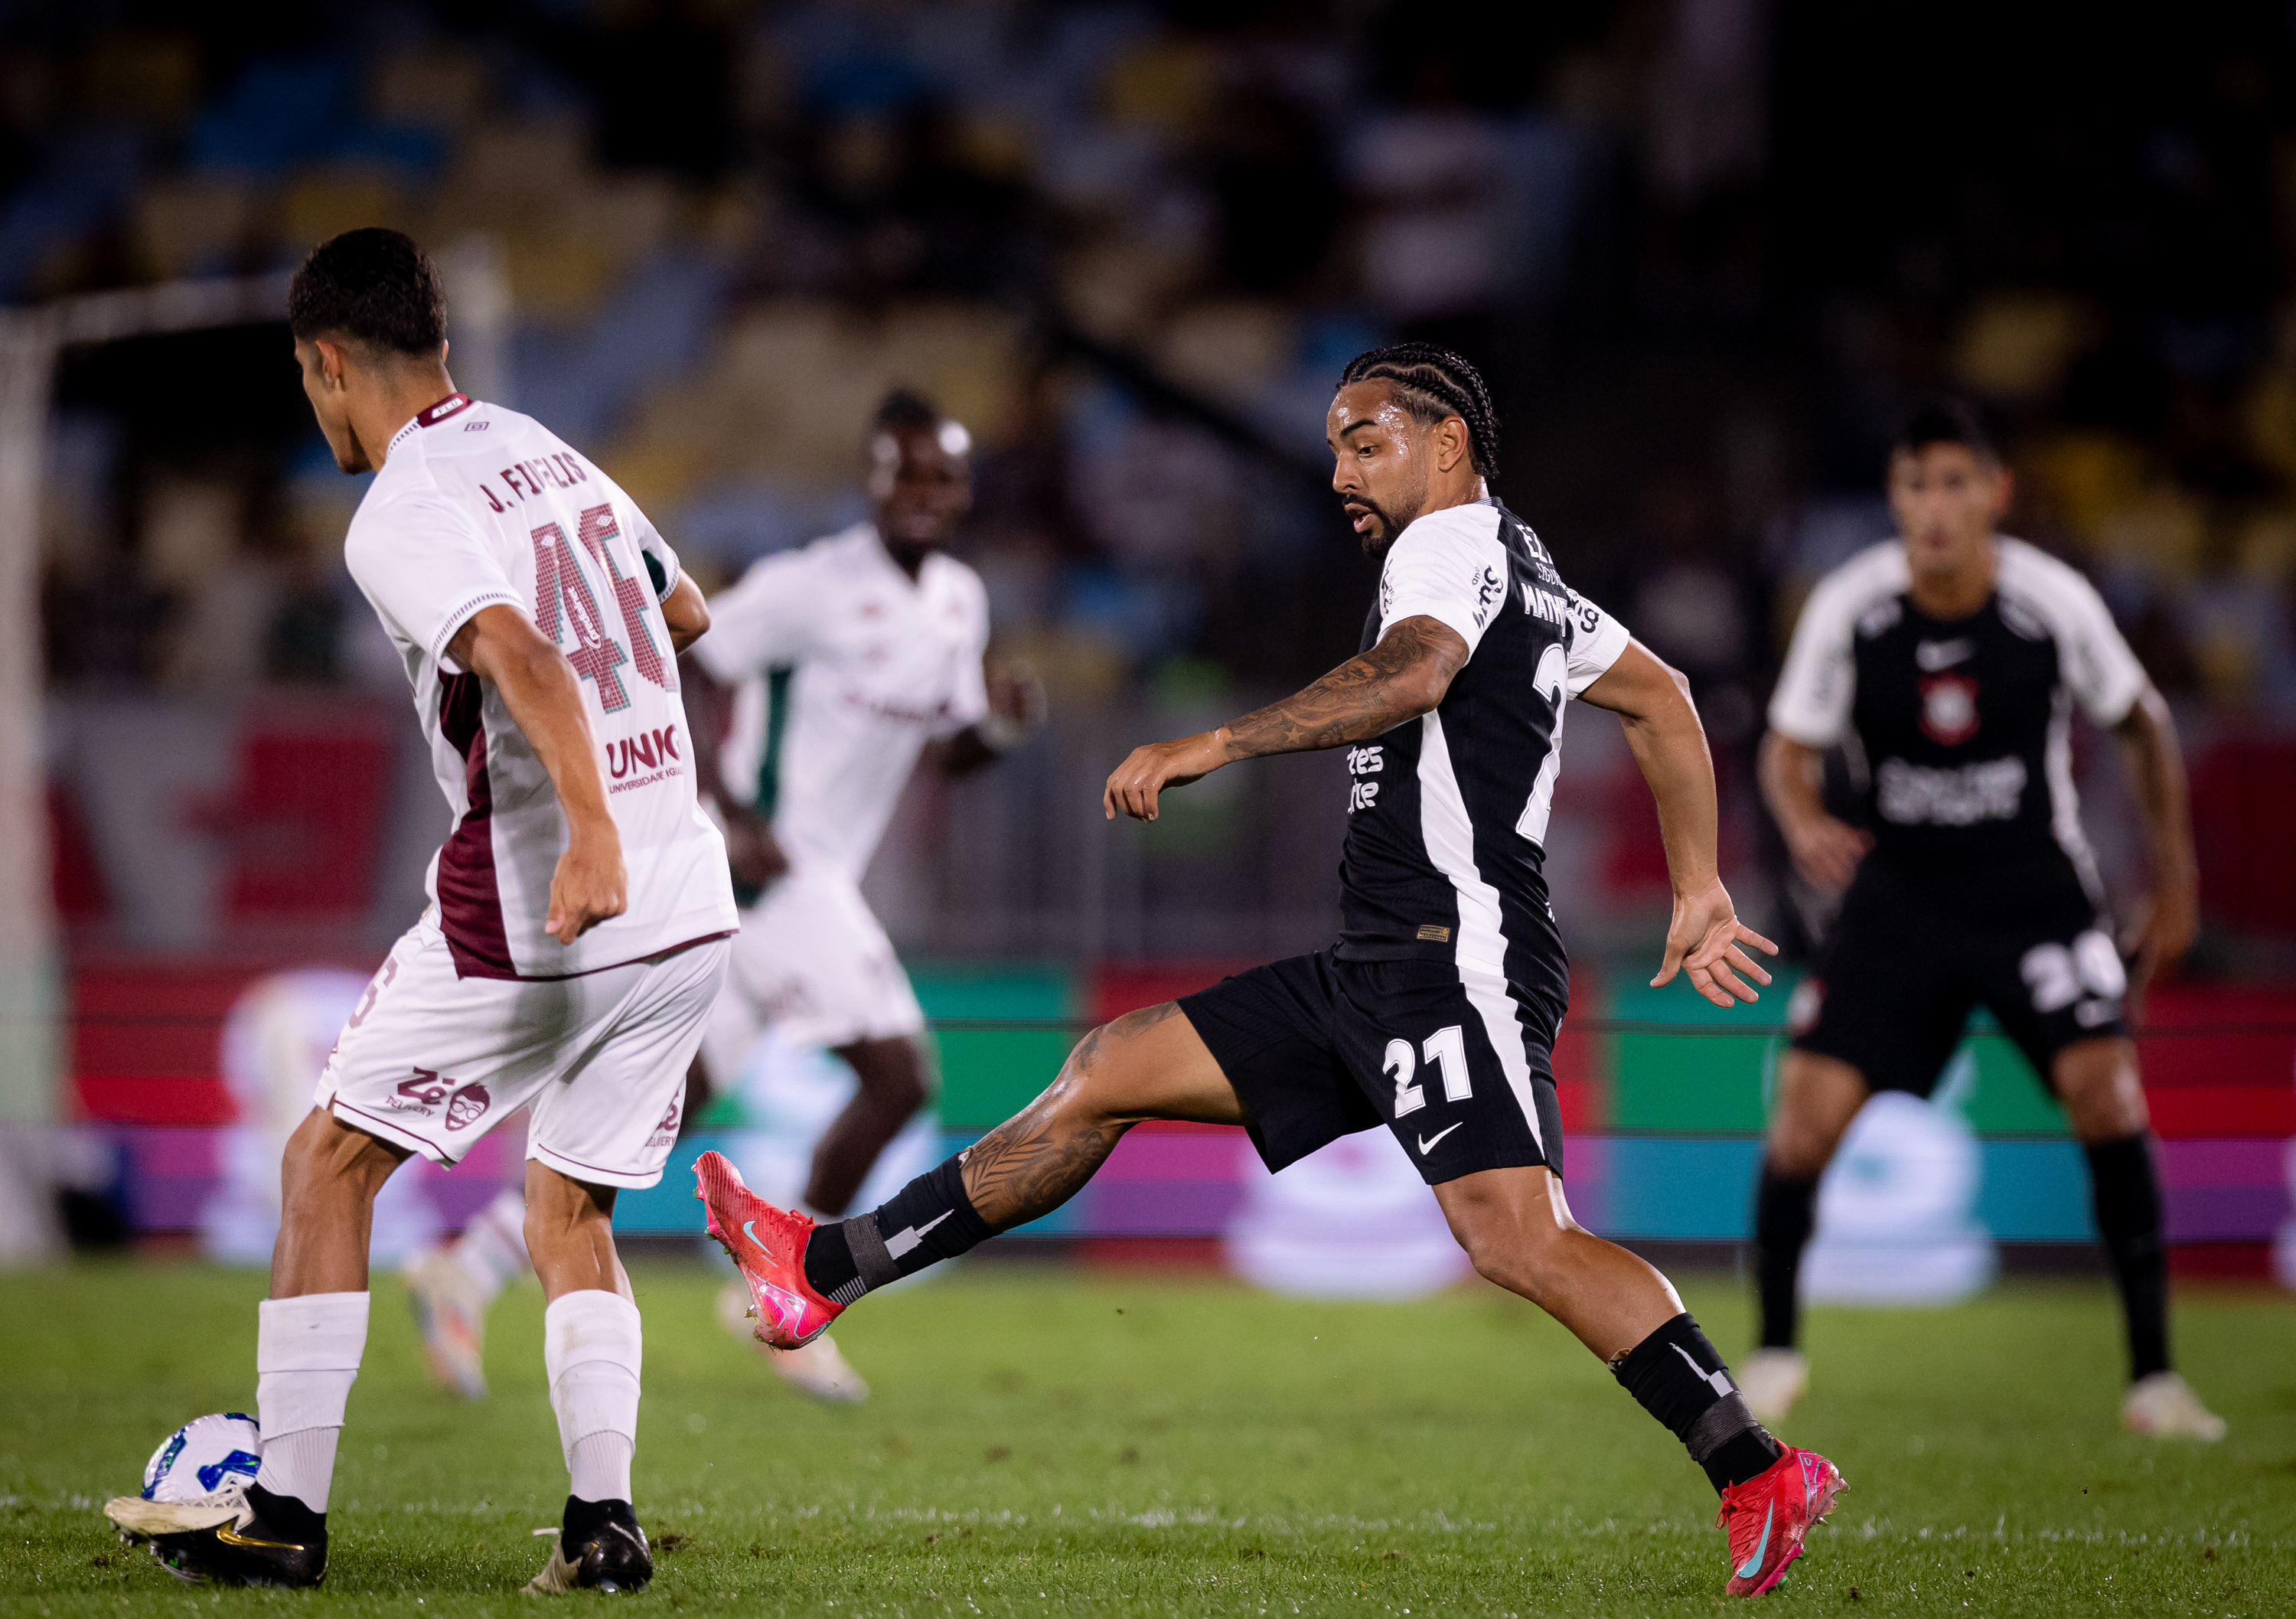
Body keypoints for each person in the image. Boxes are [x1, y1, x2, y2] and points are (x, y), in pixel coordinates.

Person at [698, 344, 1847, 1600]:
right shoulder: (1528, 569)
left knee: (1521, 1239)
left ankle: (1757, 1467)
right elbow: (1667, 699)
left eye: (1368, 443)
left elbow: (1415, 673)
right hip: (1379, 961)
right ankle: (822, 1272)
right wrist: (1700, 886)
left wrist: (1218, 741)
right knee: (1107, 1070)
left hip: (1453, 957)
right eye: (1338, 449)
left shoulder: (1448, 550)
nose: (1345, 474)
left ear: (1447, 443)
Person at [103, 228, 738, 1593]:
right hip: (690, 905)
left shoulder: (400, 506)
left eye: (305, 381)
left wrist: (581, 830)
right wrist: (622, 772)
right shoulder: (549, 448)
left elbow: (518, 653)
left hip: (552, 903)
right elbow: (682, 610)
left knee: (327, 1163)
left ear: (326, 363)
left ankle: (281, 1518)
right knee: (570, 1210)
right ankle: (602, 1525)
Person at [403, 387, 1042, 1406]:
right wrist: (727, 805)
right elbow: (677, 654)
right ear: (872, 482)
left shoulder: (959, 602)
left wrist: (999, 727)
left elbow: (949, 747)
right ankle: (790, 1293)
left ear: (964, 491)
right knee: (901, 1078)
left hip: (808, 882)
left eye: (941, 476)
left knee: (658, 1109)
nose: (922, 492)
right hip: (771, 874)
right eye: (902, 472)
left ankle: (466, 1270)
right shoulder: (812, 585)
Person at [1745, 397, 2222, 1441]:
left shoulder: (2053, 602)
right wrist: (1805, 815)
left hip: (2031, 893)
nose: (1936, 508)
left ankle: (2155, 1381)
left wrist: (2173, 883)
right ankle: (1775, 1357)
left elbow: (2143, 724)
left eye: (1957, 483)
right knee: (1802, 1123)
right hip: (1901, 899)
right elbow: (1786, 745)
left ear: (1995, 494)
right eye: (1917, 486)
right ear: (1895, 499)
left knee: (2107, 1097)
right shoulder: (1851, 606)